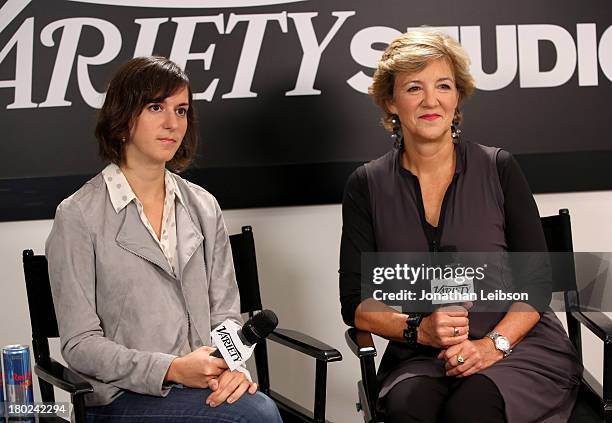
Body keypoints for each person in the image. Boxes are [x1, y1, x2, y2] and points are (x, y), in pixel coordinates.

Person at [339, 31, 583, 423]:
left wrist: (491, 345)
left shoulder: (499, 168)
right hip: (422, 354)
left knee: (471, 409)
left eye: (443, 86)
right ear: (391, 102)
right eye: (414, 87)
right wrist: (420, 331)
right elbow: (356, 303)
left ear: (457, 97)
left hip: (515, 347)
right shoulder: (365, 185)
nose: (431, 100)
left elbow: (536, 286)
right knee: (408, 408)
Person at [46, 56, 282, 423]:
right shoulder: (78, 215)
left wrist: (229, 369)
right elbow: (79, 345)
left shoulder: (204, 206)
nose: (173, 123)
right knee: (257, 417)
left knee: (253, 410)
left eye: (182, 110)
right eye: (156, 107)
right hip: (120, 398)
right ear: (123, 118)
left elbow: (226, 315)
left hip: (202, 387)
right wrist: (171, 368)